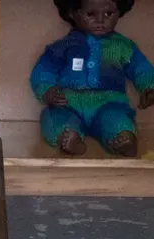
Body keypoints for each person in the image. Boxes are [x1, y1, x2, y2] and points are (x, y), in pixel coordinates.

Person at [31, 0, 154, 156]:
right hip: (68, 103)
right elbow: (44, 70)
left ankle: (122, 140)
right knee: (52, 118)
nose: (101, 21)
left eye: (109, 13)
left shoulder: (123, 46)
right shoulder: (63, 46)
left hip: (109, 103)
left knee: (117, 119)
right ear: (72, 13)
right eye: (91, 14)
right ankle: (68, 139)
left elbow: (141, 68)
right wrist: (47, 90)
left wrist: (149, 86)